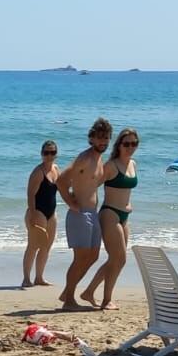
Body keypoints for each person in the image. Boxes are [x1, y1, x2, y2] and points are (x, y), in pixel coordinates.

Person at [57, 118, 113, 310]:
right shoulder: (85, 158)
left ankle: (68, 291)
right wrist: (71, 203)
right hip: (80, 214)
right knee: (80, 258)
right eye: (99, 138)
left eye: (106, 138)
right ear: (91, 138)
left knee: (93, 256)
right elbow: (61, 180)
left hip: (93, 213)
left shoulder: (99, 160)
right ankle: (69, 300)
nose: (103, 142)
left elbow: (91, 184)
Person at [81, 128, 139, 310]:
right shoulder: (112, 166)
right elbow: (92, 184)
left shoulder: (133, 164)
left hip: (124, 217)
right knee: (118, 259)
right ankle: (105, 299)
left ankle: (90, 292)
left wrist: (128, 205)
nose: (130, 147)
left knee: (116, 260)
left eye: (134, 143)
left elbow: (126, 191)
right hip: (110, 214)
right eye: (127, 144)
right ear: (119, 145)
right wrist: (81, 204)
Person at [21, 140, 61, 287]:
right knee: (33, 245)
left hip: (52, 213)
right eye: (46, 153)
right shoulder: (38, 172)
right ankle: (26, 278)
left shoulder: (56, 169)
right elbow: (30, 195)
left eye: (52, 152)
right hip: (37, 212)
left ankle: (39, 277)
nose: (49, 155)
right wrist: (32, 214)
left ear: (56, 154)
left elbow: (62, 188)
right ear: (41, 154)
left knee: (47, 246)